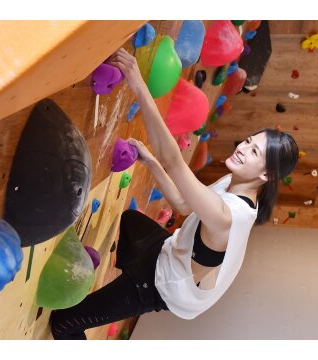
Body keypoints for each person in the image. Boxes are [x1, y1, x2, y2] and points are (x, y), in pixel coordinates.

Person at [49, 48, 298, 340]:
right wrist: (150, 161)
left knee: (64, 323)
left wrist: (137, 84)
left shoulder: (227, 216)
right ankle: (116, 293)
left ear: (265, 175)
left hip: (158, 285)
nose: (242, 149)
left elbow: (175, 161)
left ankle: (127, 294)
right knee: (131, 220)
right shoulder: (236, 181)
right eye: (247, 141)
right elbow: (182, 202)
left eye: (254, 151)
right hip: (167, 252)